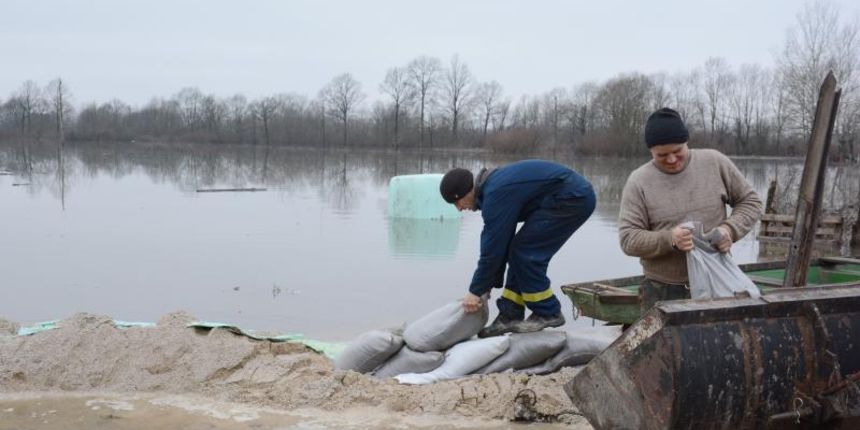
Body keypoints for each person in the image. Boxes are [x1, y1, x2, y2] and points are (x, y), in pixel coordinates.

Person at [618, 107, 763, 314]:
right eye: (662, 155)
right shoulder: (638, 181)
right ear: (651, 151)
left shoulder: (714, 162)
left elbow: (751, 201)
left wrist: (729, 230)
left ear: (687, 143)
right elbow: (628, 240)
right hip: (663, 291)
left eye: (678, 152)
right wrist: (670, 239)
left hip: (718, 279)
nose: (671, 160)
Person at [439, 160, 596, 337]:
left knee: (525, 254)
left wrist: (476, 291)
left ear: (466, 192)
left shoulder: (496, 195)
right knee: (518, 250)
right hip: (562, 197)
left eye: (457, 202)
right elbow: (501, 245)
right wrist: (487, 283)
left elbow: (492, 252)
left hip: (573, 198)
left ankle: (548, 311)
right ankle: (510, 313)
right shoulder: (493, 189)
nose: (459, 209)